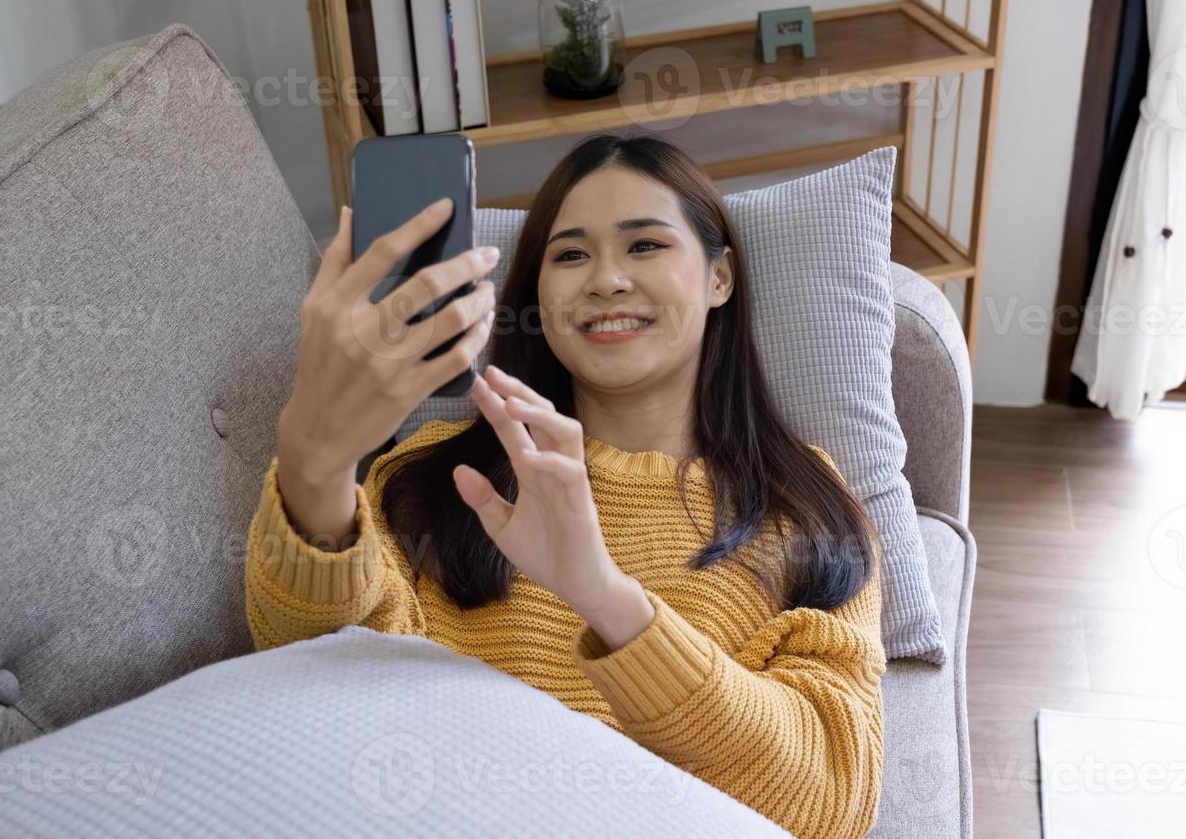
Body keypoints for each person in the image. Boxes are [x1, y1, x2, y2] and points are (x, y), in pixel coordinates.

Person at [244, 133, 887, 837]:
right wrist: (313, 468)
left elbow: (833, 798)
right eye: (570, 254)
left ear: (719, 278)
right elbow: (327, 675)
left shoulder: (806, 504)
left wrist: (604, 598)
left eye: (644, 245)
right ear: (536, 294)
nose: (606, 279)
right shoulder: (438, 476)